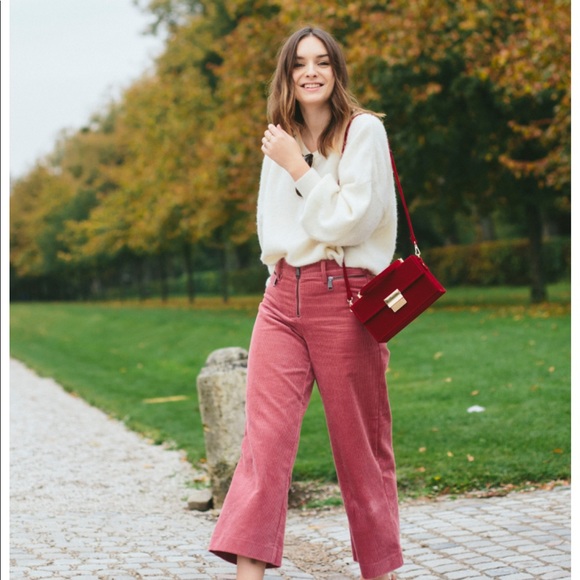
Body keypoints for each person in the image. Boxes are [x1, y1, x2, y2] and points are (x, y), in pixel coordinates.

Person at [209, 26, 403, 580]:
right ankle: (248, 576)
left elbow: (351, 219)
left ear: (337, 71)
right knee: (263, 447)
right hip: (280, 298)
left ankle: (380, 571)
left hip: (345, 297)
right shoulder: (281, 136)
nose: (311, 72)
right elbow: (271, 221)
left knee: (360, 449)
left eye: (322, 62)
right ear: (287, 75)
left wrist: (299, 166)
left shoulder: (363, 132)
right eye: (300, 64)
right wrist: (278, 266)